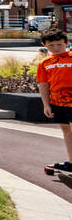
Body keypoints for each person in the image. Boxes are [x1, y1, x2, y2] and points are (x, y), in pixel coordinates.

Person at [37, 29, 72, 174]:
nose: (56, 48)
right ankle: (71, 161)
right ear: (44, 45)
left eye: (59, 45)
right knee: (66, 130)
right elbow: (43, 85)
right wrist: (46, 105)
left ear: (67, 43)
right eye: (51, 45)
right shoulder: (44, 63)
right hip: (57, 102)